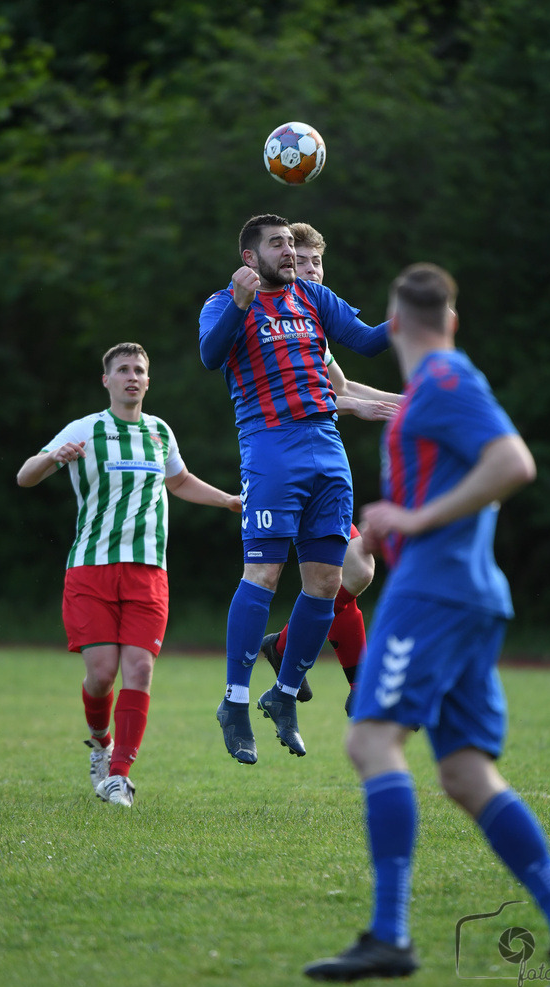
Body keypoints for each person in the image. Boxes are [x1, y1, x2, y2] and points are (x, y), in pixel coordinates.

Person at [303, 264, 550, 986]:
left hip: (435, 597)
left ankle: (389, 936)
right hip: (463, 593)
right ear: (449, 318)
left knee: (369, 739)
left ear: (394, 318)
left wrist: (414, 520)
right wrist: (391, 528)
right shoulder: (431, 388)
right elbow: (459, 474)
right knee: (465, 774)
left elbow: (511, 462)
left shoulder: (444, 380)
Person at [199, 213, 389, 764]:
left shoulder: (313, 297)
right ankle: (233, 703)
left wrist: (415, 319)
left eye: (291, 243)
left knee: (329, 581)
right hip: (271, 450)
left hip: (327, 450)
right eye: (276, 244)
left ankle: (283, 696)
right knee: (263, 572)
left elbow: (369, 343)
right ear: (248, 257)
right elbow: (211, 356)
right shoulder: (224, 302)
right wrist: (238, 303)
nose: (288, 252)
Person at [17, 343, 241, 807]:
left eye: (139, 370)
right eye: (123, 370)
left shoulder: (160, 432)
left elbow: (178, 481)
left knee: (139, 669)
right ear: (107, 380)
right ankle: (101, 745)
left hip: (148, 573)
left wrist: (227, 500)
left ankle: (119, 775)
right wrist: (53, 458)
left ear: (147, 380)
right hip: (90, 570)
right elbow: (25, 476)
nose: (132, 377)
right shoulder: (86, 428)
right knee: (101, 675)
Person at [260, 222, 402, 714]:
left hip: (322, 463)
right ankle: (359, 686)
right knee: (351, 569)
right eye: (302, 263)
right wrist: (351, 406)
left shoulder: (315, 327)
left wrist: (405, 402)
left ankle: (285, 649)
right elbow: (314, 400)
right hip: (287, 464)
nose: (312, 271)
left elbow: (343, 386)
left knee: (353, 571)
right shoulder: (277, 323)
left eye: (318, 262)